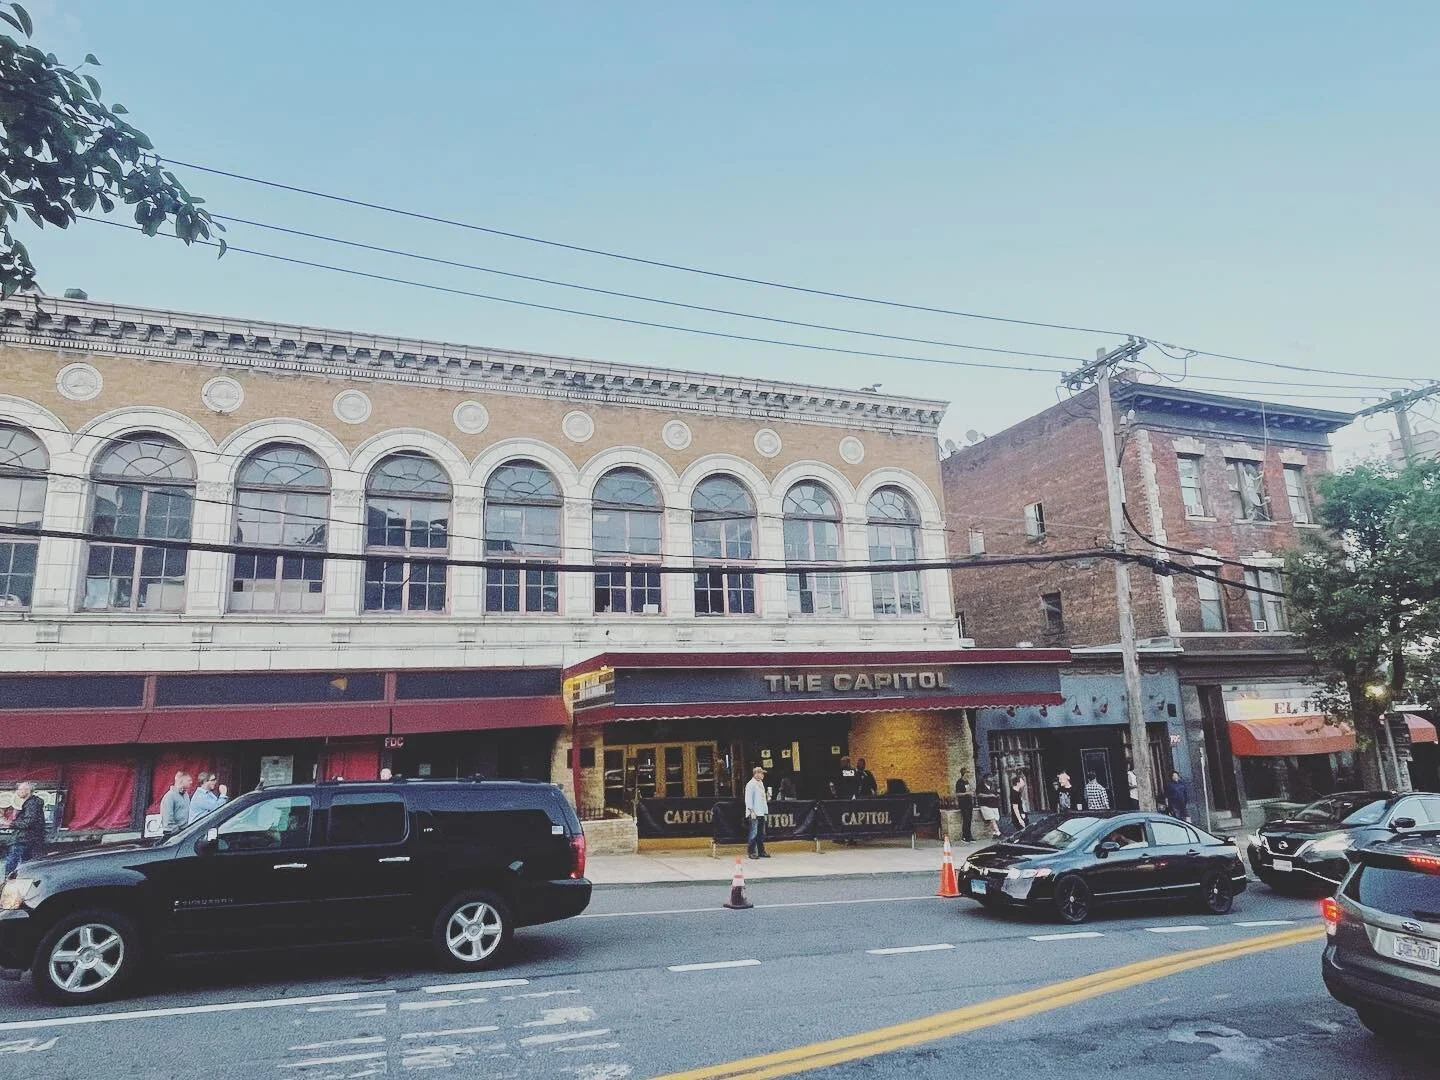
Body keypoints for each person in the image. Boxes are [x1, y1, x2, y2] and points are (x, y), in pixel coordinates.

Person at [4, 781, 46, 879]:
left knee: (12, 863)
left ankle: (6, 883)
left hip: (24, 838)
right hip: (29, 838)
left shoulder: (32, 804)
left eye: (19, 789)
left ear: (27, 791)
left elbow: (28, 822)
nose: (17, 792)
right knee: (26, 864)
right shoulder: (32, 803)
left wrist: (10, 823)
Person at [744, 766, 770, 858]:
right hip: (754, 812)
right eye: (761, 773)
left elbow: (762, 799)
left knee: (761, 833)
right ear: (756, 774)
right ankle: (751, 852)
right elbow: (748, 799)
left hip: (761, 811)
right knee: (753, 833)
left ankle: (761, 851)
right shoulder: (751, 784)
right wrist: (751, 811)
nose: (763, 775)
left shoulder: (760, 784)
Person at [976, 774, 1002, 838]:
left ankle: (993, 833)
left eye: (991, 778)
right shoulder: (980, 786)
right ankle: (998, 832)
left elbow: (997, 793)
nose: (991, 779)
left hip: (994, 804)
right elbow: (979, 795)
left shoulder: (993, 786)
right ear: (985, 779)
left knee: (995, 819)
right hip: (985, 805)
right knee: (992, 819)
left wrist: (997, 795)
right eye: (989, 778)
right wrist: (989, 795)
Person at [954, 773, 975, 843]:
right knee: (966, 819)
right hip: (963, 802)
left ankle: (969, 835)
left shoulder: (967, 782)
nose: (968, 776)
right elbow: (957, 793)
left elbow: (970, 790)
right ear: (963, 774)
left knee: (969, 819)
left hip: (969, 802)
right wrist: (966, 794)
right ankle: (964, 836)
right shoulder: (959, 782)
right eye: (967, 774)